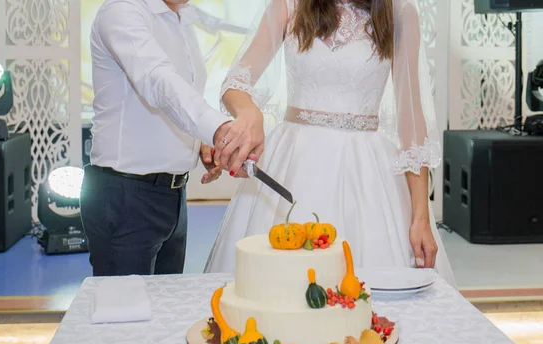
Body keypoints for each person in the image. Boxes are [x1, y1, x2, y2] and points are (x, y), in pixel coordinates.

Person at [205, 0, 457, 288]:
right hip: (293, 164)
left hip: (368, 176)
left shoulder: (399, 12)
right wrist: (250, 114)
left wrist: (421, 217)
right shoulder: (289, 5)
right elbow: (235, 83)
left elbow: (411, 122)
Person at [80, 0, 264, 277]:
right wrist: (219, 129)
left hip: (173, 195)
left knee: (165, 309)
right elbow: (159, 83)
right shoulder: (122, 11)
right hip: (126, 195)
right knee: (123, 314)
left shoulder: (181, 17)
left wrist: (200, 143)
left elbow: (181, 96)